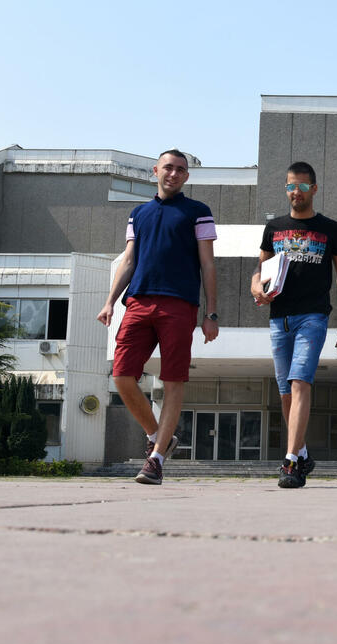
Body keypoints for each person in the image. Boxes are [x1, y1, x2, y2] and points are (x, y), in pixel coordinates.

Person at [97, 149, 219, 485]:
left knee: (173, 380)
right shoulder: (139, 213)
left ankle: (156, 460)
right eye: (168, 167)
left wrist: (211, 312)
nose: (174, 173)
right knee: (122, 376)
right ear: (155, 171)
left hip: (179, 304)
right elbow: (129, 260)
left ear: (186, 176)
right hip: (137, 301)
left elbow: (208, 264)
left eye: (180, 169)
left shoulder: (198, 212)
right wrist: (109, 301)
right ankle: (158, 436)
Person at [251, 161, 337, 489]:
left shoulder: (331, 229)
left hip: (313, 316)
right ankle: (304, 453)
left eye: (303, 186)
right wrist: (256, 287)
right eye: (291, 186)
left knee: (300, 383)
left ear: (314, 189)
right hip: (278, 318)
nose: (296, 192)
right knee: (285, 392)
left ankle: (291, 462)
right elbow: (260, 270)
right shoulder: (274, 227)